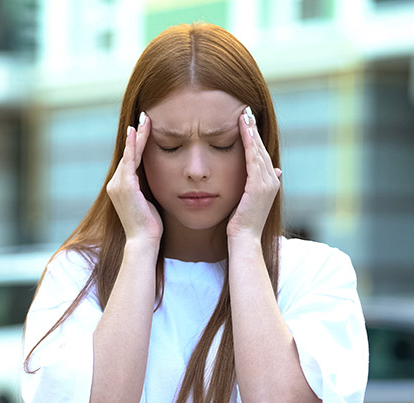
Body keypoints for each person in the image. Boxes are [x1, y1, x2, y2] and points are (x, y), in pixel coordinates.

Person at [22, 23, 368, 403]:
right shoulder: (76, 276)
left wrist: (246, 242)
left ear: (259, 144)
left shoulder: (315, 274)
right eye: (170, 146)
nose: (197, 169)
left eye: (222, 144)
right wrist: (140, 243)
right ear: (134, 147)